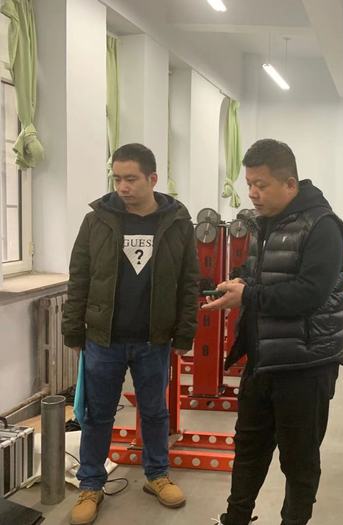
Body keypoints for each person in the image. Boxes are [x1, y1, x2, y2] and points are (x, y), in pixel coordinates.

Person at [202, 139, 343, 525]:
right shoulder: (263, 224)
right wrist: (239, 283)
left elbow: (310, 294)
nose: (253, 193)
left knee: (298, 461)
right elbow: (262, 278)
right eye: (249, 183)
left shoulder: (324, 228)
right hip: (262, 360)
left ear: (290, 184)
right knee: (248, 449)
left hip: (305, 365)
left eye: (261, 185)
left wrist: (248, 294)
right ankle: (235, 518)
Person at [62, 143, 199, 525]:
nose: (122, 187)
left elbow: (189, 281)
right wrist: (73, 329)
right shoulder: (97, 221)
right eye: (117, 178)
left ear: (152, 178)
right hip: (103, 339)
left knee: (154, 411)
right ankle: (91, 484)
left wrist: (184, 333)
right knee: (97, 414)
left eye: (131, 179)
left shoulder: (176, 223)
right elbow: (79, 277)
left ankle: (157, 475)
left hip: (154, 339)